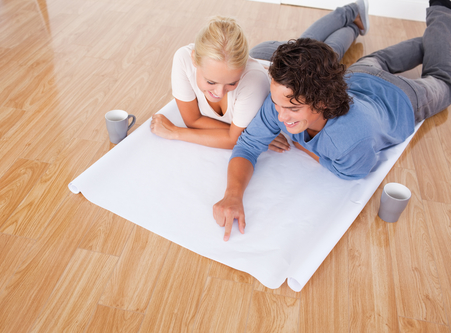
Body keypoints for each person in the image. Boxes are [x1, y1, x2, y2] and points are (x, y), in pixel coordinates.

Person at [213, 1, 451, 241]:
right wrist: (233, 195)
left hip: (401, 97)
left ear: (322, 102)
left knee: (443, 79)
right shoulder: (283, 100)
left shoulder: (350, 141)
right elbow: (247, 145)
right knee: (398, 54)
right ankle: (440, 40)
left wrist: (303, 146)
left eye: (293, 109)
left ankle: (442, 9)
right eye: (277, 104)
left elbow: (354, 172)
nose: (280, 116)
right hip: (362, 74)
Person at [150, 1, 369, 150]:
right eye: (210, 81)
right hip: (267, 58)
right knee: (314, 42)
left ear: (241, 70)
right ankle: (355, 25)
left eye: (231, 82)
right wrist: (255, 133)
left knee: (326, 51)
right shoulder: (183, 59)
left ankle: (351, 10)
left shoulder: (252, 81)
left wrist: (175, 133)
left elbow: (231, 139)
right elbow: (193, 119)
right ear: (194, 59)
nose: (218, 92)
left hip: (279, 69)